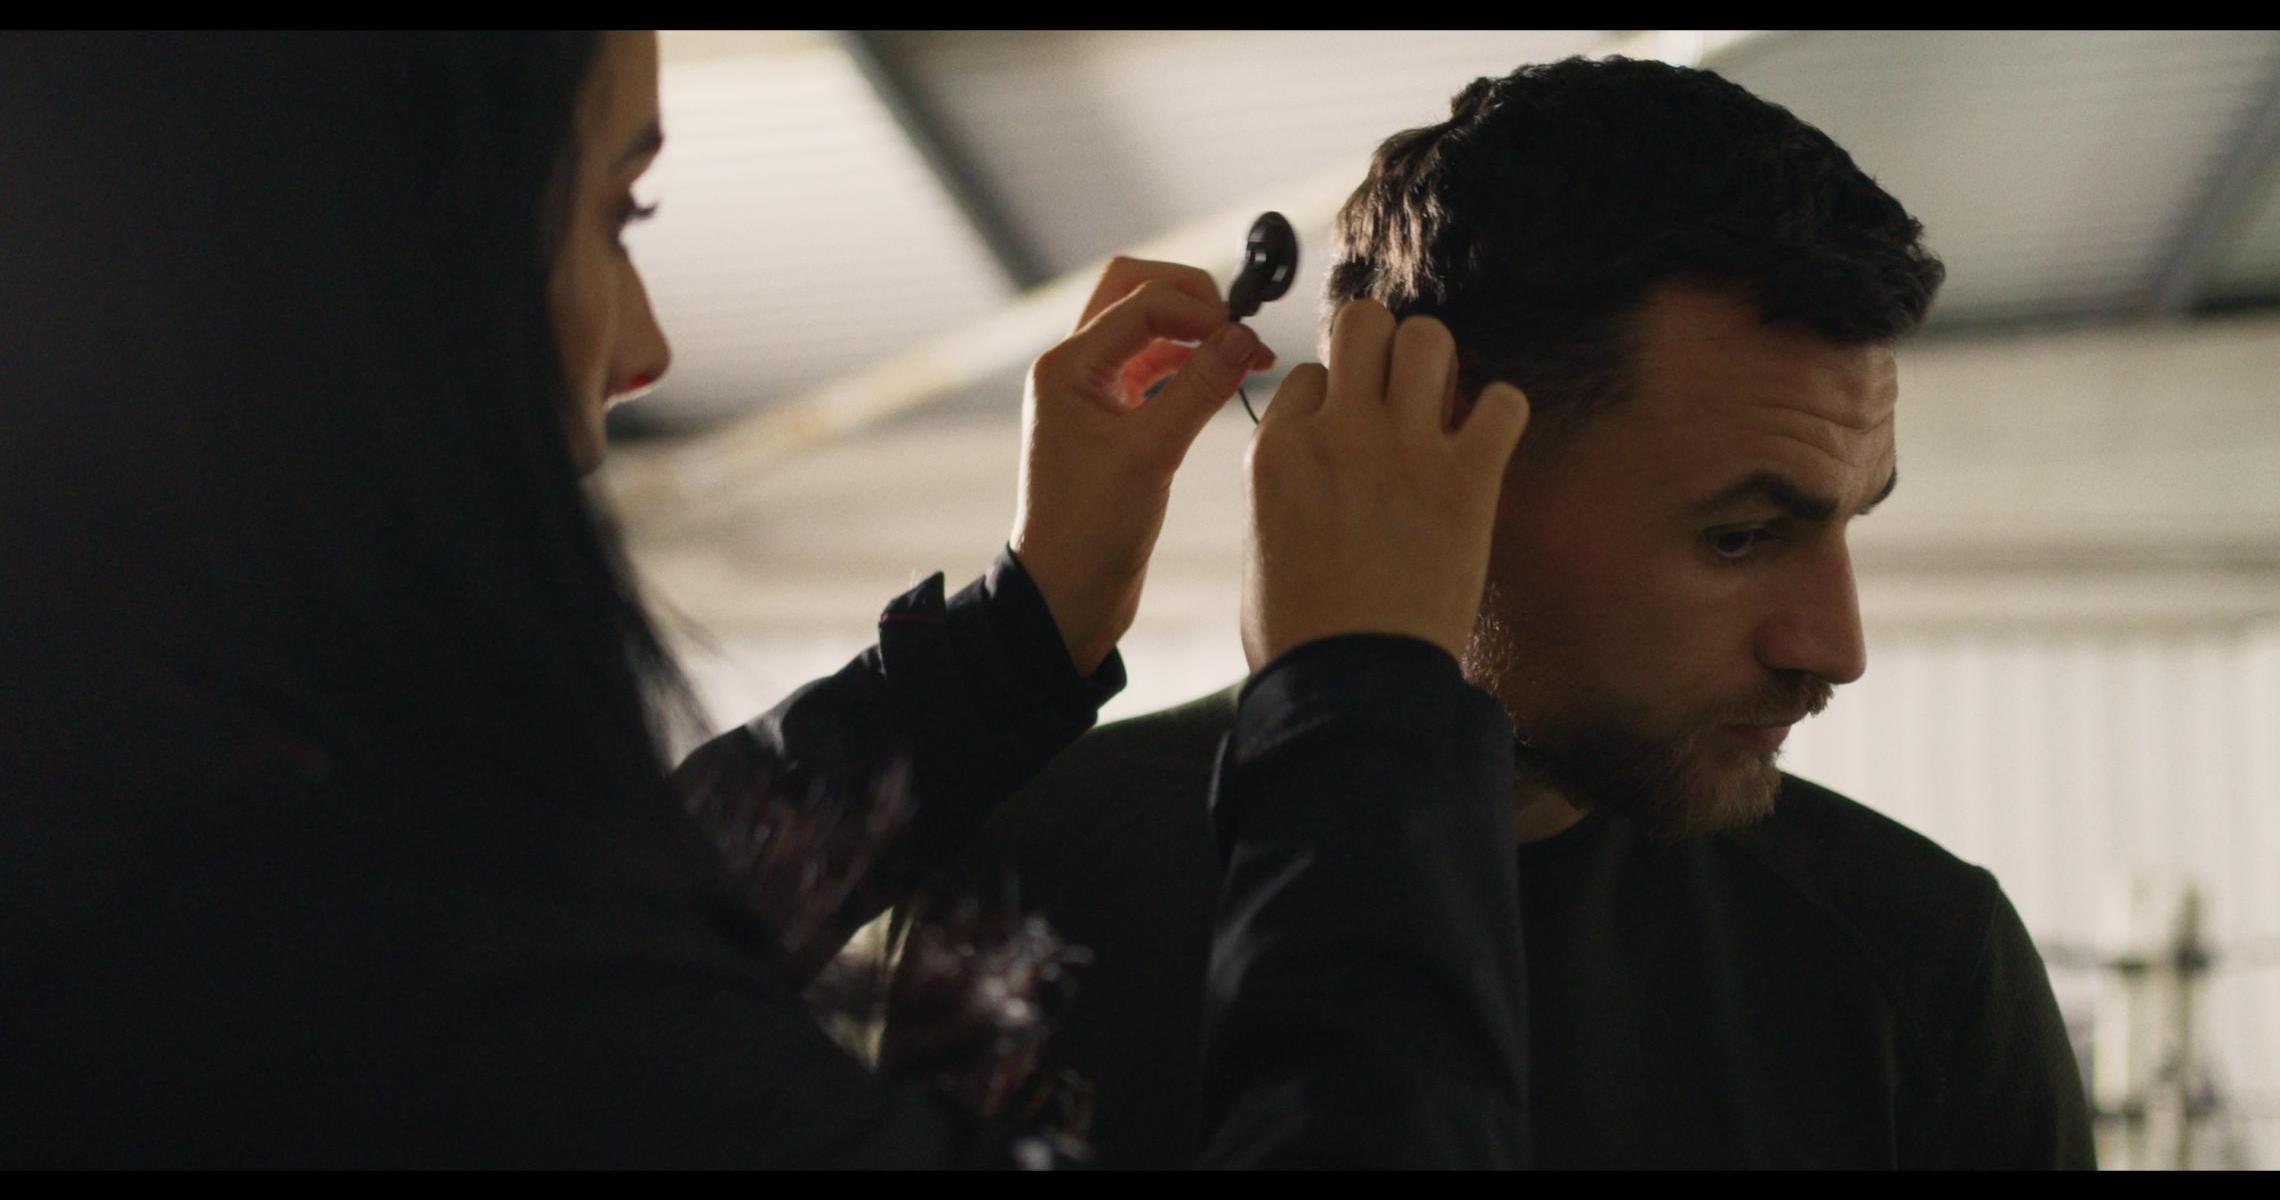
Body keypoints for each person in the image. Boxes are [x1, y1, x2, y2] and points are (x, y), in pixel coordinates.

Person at [0, 30, 1532, 1167]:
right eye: (619, 215)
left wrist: (1021, 631)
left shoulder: (173, 865)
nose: (645, 353)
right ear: (371, 263)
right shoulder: (420, 1008)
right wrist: (1364, 706)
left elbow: (633, 916)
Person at [896, 56, 2100, 1169]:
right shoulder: (1039, 878)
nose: (1834, 647)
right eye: (1738, 536)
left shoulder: (1922, 969)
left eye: (1849, 524)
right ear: (1420, 457)